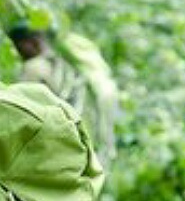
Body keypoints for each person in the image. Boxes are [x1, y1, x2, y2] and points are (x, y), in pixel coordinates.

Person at [8, 23, 118, 165]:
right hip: (79, 144)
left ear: (30, 43)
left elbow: (23, 112)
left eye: (18, 47)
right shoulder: (67, 67)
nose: (17, 53)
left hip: (50, 148)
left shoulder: (34, 67)